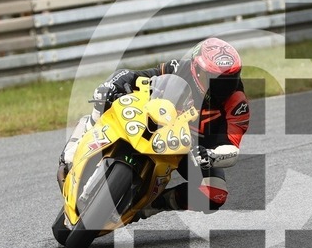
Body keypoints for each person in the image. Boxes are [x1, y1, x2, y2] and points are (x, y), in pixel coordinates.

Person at [57, 37, 250, 216]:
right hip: (159, 122)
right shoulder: (180, 68)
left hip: (193, 151)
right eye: (216, 80)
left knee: (215, 193)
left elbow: (232, 148)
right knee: (104, 100)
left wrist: (211, 155)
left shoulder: (238, 104)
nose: (224, 87)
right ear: (197, 70)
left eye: (230, 79)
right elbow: (136, 75)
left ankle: (152, 205)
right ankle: (73, 150)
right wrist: (112, 85)